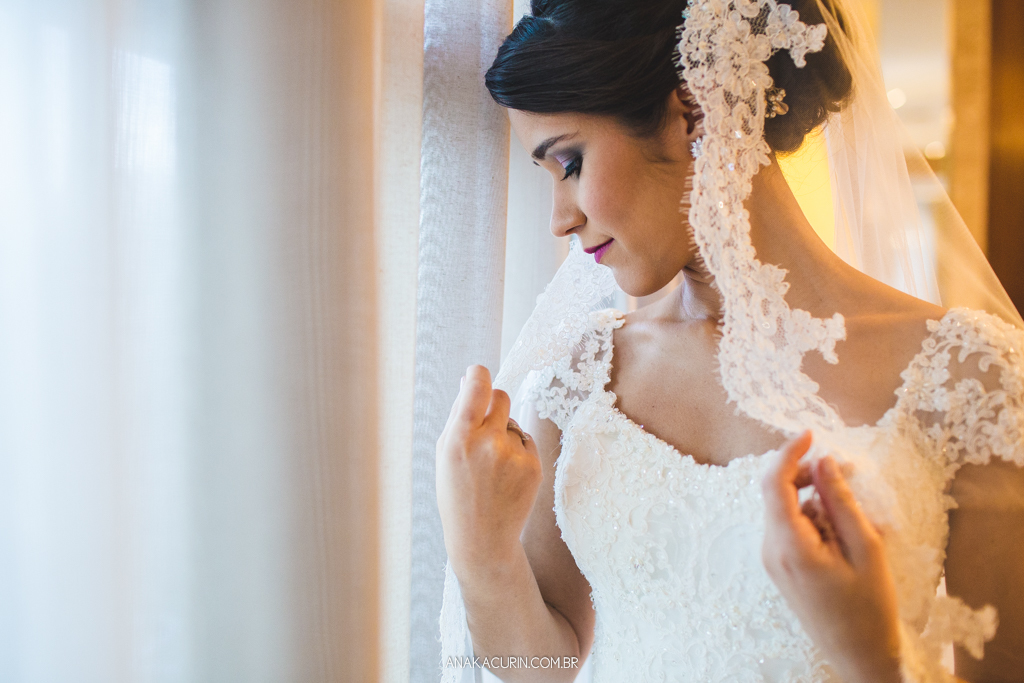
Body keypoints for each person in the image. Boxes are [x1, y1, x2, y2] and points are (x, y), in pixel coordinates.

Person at [435, 0, 1024, 681]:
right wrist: (482, 552)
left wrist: (874, 656)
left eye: (568, 163)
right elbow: (542, 667)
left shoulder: (969, 377)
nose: (559, 221)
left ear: (693, 111)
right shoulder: (582, 375)